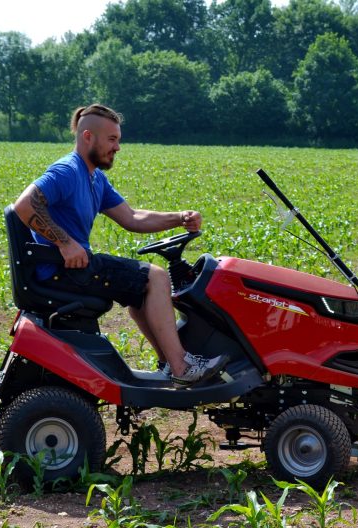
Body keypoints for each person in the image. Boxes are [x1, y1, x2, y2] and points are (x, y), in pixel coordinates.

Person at [13, 103, 228, 386]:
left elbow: (133, 217)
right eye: (112, 139)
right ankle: (182, 366)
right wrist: (65, 243)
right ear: (88, 136)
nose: (117, 148)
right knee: (156, 276)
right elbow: (24, 205)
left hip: (72, 269)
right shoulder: (68, 170)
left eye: (118, 140)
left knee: (141, 289)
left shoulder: (94, 178)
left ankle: (168, 363)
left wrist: (179, 218)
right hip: (62, 271)